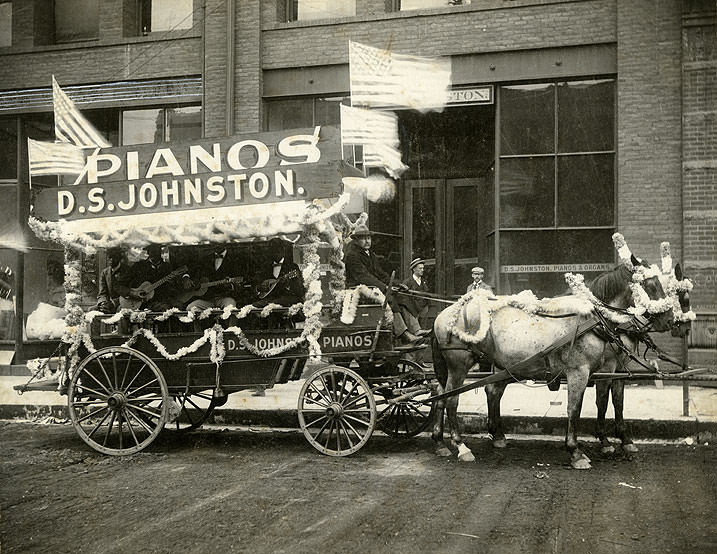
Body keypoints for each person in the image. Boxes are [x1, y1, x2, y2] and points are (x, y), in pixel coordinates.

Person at [344, 225, 426, 345]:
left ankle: (415, 330)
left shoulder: (369, 254)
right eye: (363, 238)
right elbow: (364, 277)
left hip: (372, 288)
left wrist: (397, 285)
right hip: (359, 290)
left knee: (401, 296)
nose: (367, 241)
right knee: (390, 299)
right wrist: (384, 287)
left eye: (369, 238)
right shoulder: (352, 255)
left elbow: (380, 273)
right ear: (356, 240)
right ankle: (403, 334)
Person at [183, 244, 247, 311]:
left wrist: (230, 285)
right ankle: (208, 321)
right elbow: (191, 269)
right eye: (214, 242)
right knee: (190, 308)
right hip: (207, 299)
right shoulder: (206, 259)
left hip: (224, 298)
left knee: (230, 307)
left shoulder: (235, 258)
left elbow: (241, 282)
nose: (216, 245)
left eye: (219, 242)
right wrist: (186, 277)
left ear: (224, 242)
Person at [125, 244, 182, 311]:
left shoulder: (167, 267)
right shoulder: (139, 266)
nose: (153, 253)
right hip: (144, 302)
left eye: (156, 251)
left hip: (164, 298)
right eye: (151, 251)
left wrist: (171, 283)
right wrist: (133, 293)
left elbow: (174, 287)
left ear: (160, 252)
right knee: (164, 308)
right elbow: (122, 283)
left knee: (179, 306)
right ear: (148, 252)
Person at [253, 238, 305, 308]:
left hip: (286, 298)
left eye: (277, 250)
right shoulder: (266, 266)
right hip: (269, 298)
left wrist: (287, 285)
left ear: (283, 250)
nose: (275, 253)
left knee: (271, 304)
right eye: (272, 250)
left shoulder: (292, 266)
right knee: (254, 306)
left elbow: (298, 290)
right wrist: (260, 288)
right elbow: (257, 284)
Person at [398, 258, 430, 335]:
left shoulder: (424, 281)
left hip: (423, 308)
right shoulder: (407, 282)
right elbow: (403, 298)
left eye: (423, 268)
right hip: (413, 308)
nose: (422, 270)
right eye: (420, 268)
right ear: (414, 269)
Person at [95, 247, 132, 314]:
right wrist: (103, 303)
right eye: (109, 257)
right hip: (108, 303)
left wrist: (114, 303)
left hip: (124, 302)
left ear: (119, 258)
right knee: (91, 310)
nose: (111, 260)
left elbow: (130, 291)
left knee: (120, 311)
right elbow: (102, 293)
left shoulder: (127, 270)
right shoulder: (105, 272)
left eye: (114, 257)